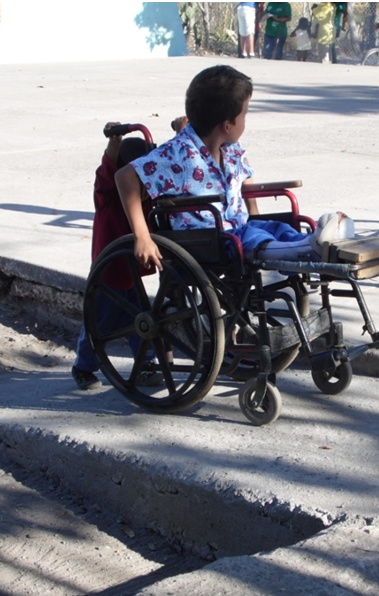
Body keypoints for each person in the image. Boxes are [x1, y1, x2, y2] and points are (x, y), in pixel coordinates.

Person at [115, 65, 348, 273]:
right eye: (244, 114)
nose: (246, 119)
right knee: (251, 236)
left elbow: (246, 183)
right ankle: (308, 249)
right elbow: (125, 177)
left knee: (274, 227)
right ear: (227, 125)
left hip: (238, 228)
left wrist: (256, 217)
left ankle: (320, 246)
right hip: (206, 240)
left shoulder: (232, 149)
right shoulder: (179, 153)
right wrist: (142, 236)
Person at [72, 119, 186, 390]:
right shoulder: (108, 192)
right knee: (98, 322)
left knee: (139, 320)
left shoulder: (147, 195)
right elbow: (108, 170)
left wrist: (182, 134)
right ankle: (83, 367)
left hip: (131, 271)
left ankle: (146, 364)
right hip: (109, 272)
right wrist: (114, 142)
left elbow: (170, 164)